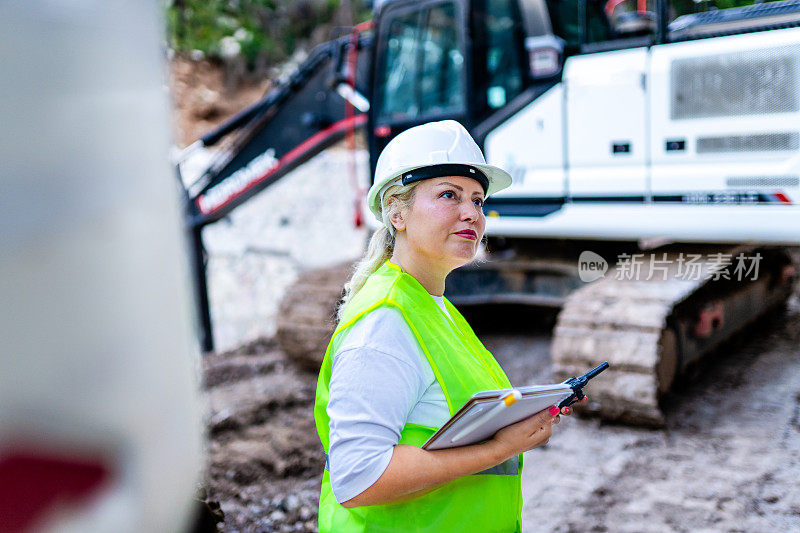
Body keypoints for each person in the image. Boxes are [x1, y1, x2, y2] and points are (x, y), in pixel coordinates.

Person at [314, 120, 581, 532]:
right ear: (397, 212)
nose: (471, 213)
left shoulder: (432, 306)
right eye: (448, 195)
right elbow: (358, 476)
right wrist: (499, 449)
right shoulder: (384, 325)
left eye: (477, 199)